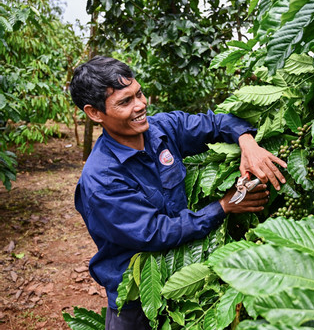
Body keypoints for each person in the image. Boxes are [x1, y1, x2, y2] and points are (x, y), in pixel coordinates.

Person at [69, 56, 287, 329]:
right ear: (94, 113)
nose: (140, 105)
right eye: (125, 102)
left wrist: (247, 142)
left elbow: (215, 123)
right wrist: (223, 206)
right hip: (137, 296)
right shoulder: (101, 179)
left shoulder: (162, 129)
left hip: (184, 275)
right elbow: (154, 233)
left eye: (139, 93)